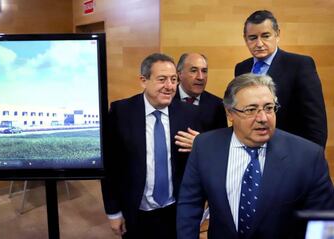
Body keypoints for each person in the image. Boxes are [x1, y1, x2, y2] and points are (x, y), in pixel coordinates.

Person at [176, 73, 334, 239]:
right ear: (230, 113)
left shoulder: (308, 156)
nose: (263, 118)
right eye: (251, 110)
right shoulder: (205, 146)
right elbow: (190, 205)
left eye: (268, 108)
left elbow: (323, 220)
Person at [101, 53, 201, 239]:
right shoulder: (120, 112)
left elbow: (201, 163)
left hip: (177, 211)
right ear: (143, 80)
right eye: (162, 79)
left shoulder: (190, 114)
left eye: (173, 80)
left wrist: (201, 145)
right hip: (136, 211)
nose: (170, 86)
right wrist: (113, 212)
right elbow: (110, 166)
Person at [234, 10, 327, 147]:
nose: (259, 43)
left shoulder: (300, 65)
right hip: (251, 150)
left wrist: (313, 159)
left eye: (265, 36)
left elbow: (315, 122)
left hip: (290, 151)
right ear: (245, 39)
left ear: (277, 35)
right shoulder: (241, 68)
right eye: (253, 38)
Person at [175, 53, 227, 131]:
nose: (200, 77)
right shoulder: (167, 99)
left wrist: (200, 141)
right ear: (180, 74)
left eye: (204, 71)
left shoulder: (217, 105)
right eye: (194, 71)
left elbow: (221, 140)